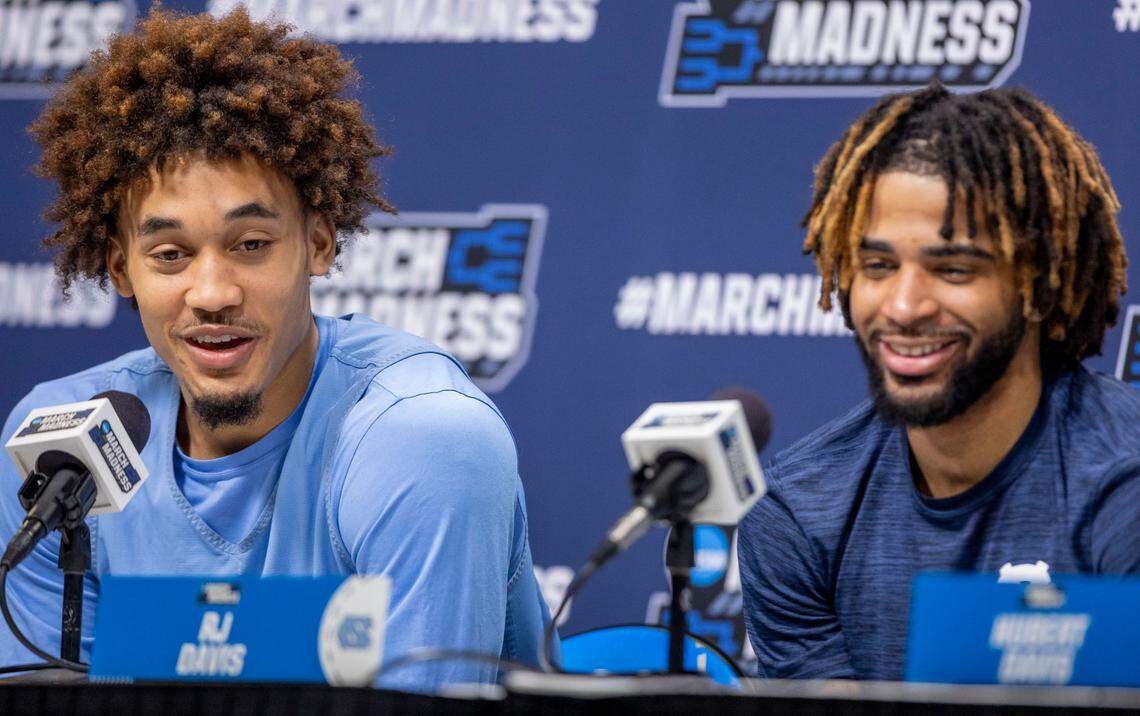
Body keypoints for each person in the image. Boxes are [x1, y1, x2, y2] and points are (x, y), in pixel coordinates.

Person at [0, 8, 553, 690]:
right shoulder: (62, 449)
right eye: (169, 254)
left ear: (319, 244)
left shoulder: (422, 438)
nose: (211, 292)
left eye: (251, 245)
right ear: (120, 270)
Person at [738, 83, 1139, 680]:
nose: (903, 306)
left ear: (1037, 286)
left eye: (951, 269)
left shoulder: (1123, 483)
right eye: (877, 266)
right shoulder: (796, 513)